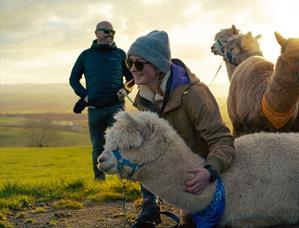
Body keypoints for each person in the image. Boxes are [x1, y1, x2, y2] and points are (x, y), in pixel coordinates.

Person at [126, 30, 235, 227]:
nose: (132, 69)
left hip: (205, 177)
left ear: (158, 66)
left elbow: (223, 141)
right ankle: (150, 207)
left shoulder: (194, 95)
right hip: (180, 178)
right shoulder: (144, 99)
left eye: (139, 63)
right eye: (129, 62)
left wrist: (209, 171)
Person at [69, 21, 133, 181]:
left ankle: (122, 180)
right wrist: (85, 96)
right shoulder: (86, 55)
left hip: (116, 108)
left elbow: (132, 78)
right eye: (106, 31)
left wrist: (125, 90)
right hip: (94, 109)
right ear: (96, 33)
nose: (110, 34)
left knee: (119, 145)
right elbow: (73, 79)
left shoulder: (120, 54)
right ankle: (99, 181)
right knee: (98, 147)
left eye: (113, 32)